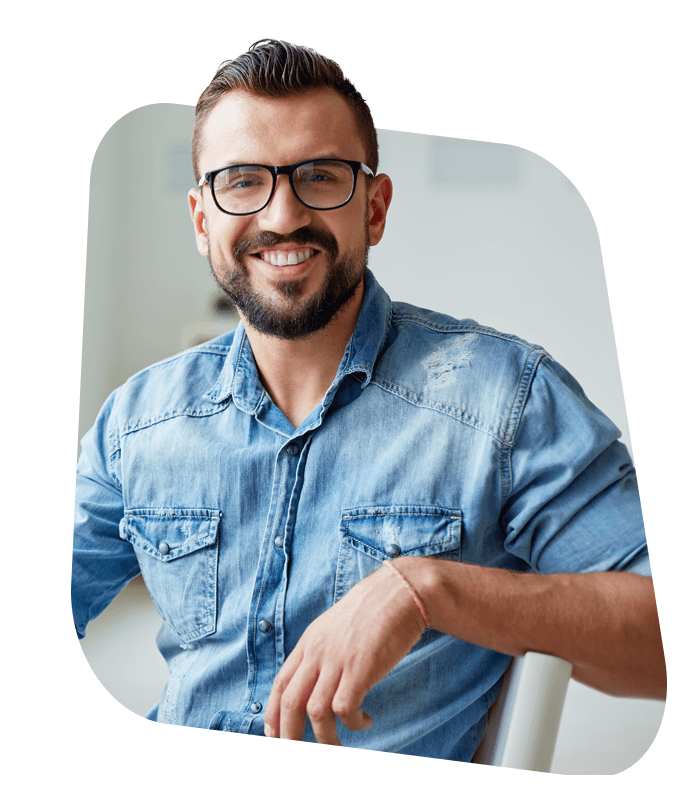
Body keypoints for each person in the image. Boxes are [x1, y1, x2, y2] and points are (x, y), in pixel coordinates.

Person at [72, 38, 665, 760]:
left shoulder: (506, 401)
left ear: (375, 209)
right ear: (202, 221)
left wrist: (428, 589)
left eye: (320, 176)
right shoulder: (134, 424)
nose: (283, 214)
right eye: (242, 181)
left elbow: (663, 643)